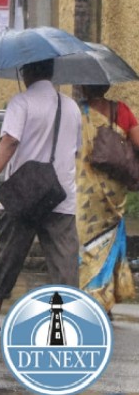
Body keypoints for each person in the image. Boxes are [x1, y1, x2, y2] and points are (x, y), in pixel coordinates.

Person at [0, 59, 82, 333]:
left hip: (23, 194)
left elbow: (10, 141)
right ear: (51, 72)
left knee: (10, 253)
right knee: (64, 261)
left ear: (26, 72)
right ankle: (69, 321)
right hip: (60, 195)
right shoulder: (71, 107)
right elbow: (75, 150)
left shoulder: (21, 103)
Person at [75, 84, 137, 317]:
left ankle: (88, 299)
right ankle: (104, 300)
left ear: (83, 87)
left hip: (84, 192)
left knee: (86, 244)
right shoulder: (120, 111)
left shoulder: (76, 113)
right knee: (106, 244)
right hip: (113, 192)